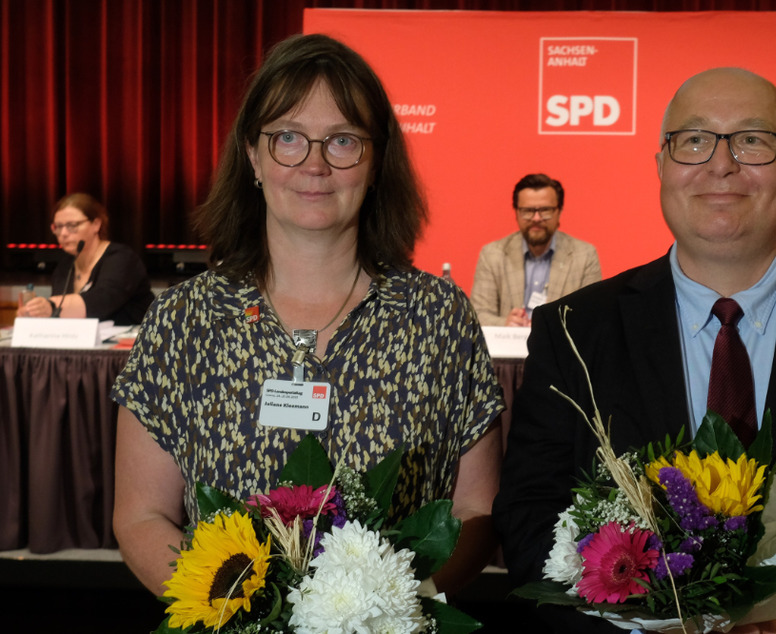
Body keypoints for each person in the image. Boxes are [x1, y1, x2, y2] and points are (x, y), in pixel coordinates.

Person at [494, 67, 776, 633]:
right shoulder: (574, 331)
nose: (721, 164)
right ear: (660, 166)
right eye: (694, 141)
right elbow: (531, 513)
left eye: (753, 141)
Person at [111, 33, 504, 599]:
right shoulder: (182, 321)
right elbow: (142, 516)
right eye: (288, 138)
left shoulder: (439, 318)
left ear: (375, 161)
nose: (314, 164)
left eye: (342, 140)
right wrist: (231, 612)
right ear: (252, 154)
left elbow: (476, 510)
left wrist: (396, 610)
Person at [470, 173, 601, 326]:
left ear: (559, 211)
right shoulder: (492, 254)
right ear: (516, 212)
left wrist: (548, 328)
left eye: (545, 210)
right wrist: (505, 324)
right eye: (528, 210)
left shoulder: (584, 256)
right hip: (507, 348)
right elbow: (478, 314)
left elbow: (592, 316)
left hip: (558, 348)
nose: (536, 218)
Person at [16, 192, 154, 325]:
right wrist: (35, 312)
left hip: (136, 345)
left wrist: (50, 307)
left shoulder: (122, 259)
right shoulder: (64, 267)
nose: (63, 233)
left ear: (96, 224)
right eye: (58, 226)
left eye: (72, 225)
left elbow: (100, 302)